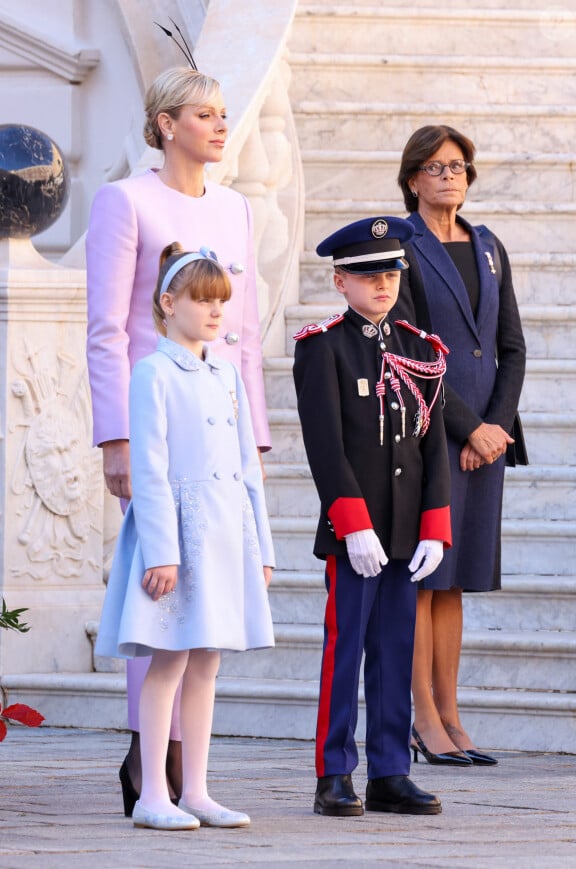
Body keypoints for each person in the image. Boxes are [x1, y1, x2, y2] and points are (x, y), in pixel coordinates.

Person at [86, 66, 271, 814]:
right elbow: (107, 328)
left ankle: (183, 777)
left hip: (220, 422)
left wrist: (252, 434)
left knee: (207, 625)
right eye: (204, 114)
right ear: (166, 124)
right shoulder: (124, 200)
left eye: (224, 114)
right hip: (154, 412)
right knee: (159, 594)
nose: (220, 126)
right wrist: (116, 439)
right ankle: (149, 762)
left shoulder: (236, 209)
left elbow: (248, 335)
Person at [95, 243, 275, 830]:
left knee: (207, 662)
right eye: (201, 299)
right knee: (167, 662)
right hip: (176, 532)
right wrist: (163, 552)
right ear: (168, 304)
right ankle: (152, 795)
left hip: (225, 532)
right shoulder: (152, 371)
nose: (214, 311)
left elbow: (248, 465)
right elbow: (149, 465)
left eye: (221, 300)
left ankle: (196, 789)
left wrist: (262, 548)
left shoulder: (225, 372)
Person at [293, 216, 452, 817]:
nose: (381, 284)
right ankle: (334, 772)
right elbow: (325, 447)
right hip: (354, 532)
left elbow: (430, 443)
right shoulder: (324, 347)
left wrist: (435, 525)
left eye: (389, 272)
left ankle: (390, 771)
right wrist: (350, 522)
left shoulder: (420, 349)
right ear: (341, 282)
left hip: (407, 530)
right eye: (366, 274)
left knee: (396, 647)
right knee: (347, 649)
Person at [396, 125, 526, 766]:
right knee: (424, 579)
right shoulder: (402, 246)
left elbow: (511, 346)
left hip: (486, 445)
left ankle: (450, 711)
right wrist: (465, 426)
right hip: (431, 435)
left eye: (459, 166)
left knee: (456, 582)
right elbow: (408, 352)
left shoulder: (490, 245)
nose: (450, 176)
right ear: (413, 178)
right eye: (437, 166)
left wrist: (495, 428)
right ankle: (422, 716)